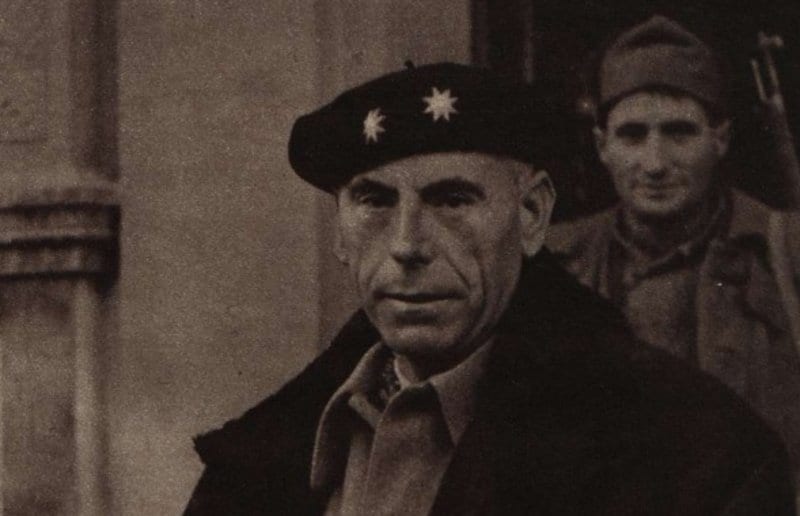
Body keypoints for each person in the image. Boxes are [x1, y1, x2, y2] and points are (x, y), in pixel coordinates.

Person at [184, 63, 794, 515]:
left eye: (452, 200)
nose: (407, 244)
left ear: (531, 215)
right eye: (373, 201)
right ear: (340, 233)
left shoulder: (694, 455)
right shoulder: (274, 452)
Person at [547, 15, 800, 486]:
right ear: (602, 146)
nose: (655, 163)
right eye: (632, 135)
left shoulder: (784, 252)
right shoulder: (552, 263)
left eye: (679, 132)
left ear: (720, 139)